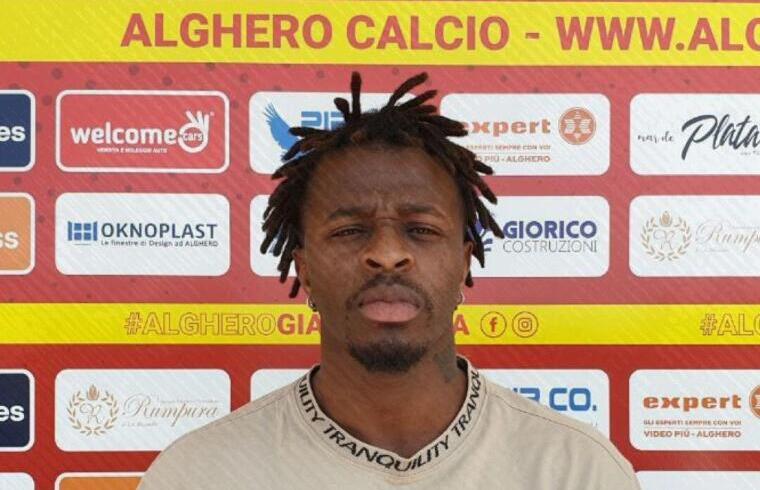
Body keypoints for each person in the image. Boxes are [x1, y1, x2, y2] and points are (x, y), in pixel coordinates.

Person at [138, 72, 640, 489]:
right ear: (304, 269)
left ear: (465, 263)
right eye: (350, 231)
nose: (386, 255)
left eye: (420, 229)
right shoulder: (200, 474)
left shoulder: (575, 471)